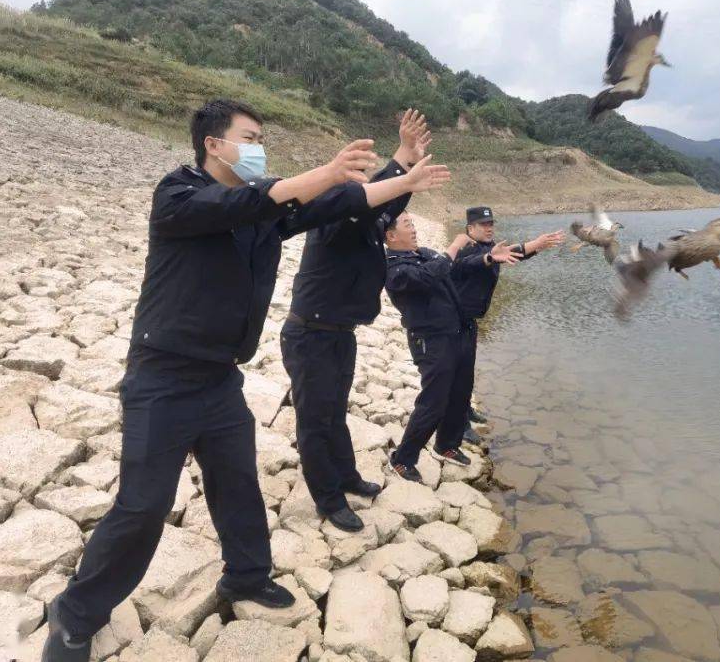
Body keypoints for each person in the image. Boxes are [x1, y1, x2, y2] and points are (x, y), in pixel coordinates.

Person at [42, 100, 445, 662]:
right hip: (162, 376)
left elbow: (338, 205)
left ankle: (247, 576)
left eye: (261, 139)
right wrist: (324, 172)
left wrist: (404, 177)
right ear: (213, 143)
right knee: (143, 506)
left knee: (238, 484)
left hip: (220, 379)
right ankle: (75, 615)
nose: (258, 148)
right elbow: (245, 201)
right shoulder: (178, 195)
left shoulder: (263, 214)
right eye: (249, 137)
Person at [281, 110, 446, 531]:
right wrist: (401, 165)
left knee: (335, 412)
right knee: (316, 421)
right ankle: (328, 498)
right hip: (310, 334)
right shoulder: (335, 218)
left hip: (338, 333)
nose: (365, 194)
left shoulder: (365, 222)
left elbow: (386, 203)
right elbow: (368, 200)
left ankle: (347, 477)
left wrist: (407, 155)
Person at [382, 212, 513, 480]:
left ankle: (447, 445)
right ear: (391, 236)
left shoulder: (423, 253)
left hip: (456, 330)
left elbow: (455, 268)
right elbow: (432, 274)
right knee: (434, 401)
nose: (415, 229)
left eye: (413, 224)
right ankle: (402, 459)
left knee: (460, 391)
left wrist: (488, 258)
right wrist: (454, 246)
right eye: (408, 225)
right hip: (430, 340)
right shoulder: (394, 268)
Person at [451, 207, 565, 443]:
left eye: (491, 222)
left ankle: (465, 410)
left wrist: (538, 243)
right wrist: (491, 257)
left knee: (467, 371)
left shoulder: (487, 247)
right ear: (470, 228)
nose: (489, 227)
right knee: (457, 375)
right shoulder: (464, 248)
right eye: (483, 224)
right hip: (453, 321)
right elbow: (469, 264)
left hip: (468, 320)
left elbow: (511, 253)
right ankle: (458, 425)